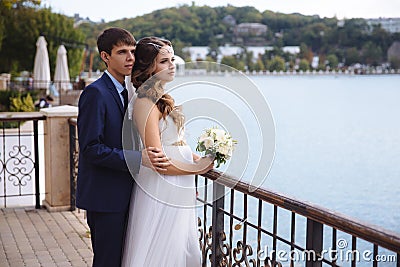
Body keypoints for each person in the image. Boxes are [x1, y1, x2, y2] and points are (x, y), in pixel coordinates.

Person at [76, 28, 170, 267]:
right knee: (108, 261)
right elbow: (91, 148)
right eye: (122, 52)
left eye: (132, 52)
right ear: (105, 57)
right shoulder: (95, 93)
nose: (130, 58)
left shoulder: (130, 92)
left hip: (130, 194)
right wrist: (138, 159)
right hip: (105, 197)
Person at [121, 37, 214, 266]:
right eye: (164, 61)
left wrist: (197, 157)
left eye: (172, 59)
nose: (172, 65)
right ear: (148, 67)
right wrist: (195, 168)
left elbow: (175, 140)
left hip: (178, 182)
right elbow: (157, 160)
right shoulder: (145, 102)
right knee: (163, 250)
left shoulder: (161, 98)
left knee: (182, 248)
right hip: (162, 185)